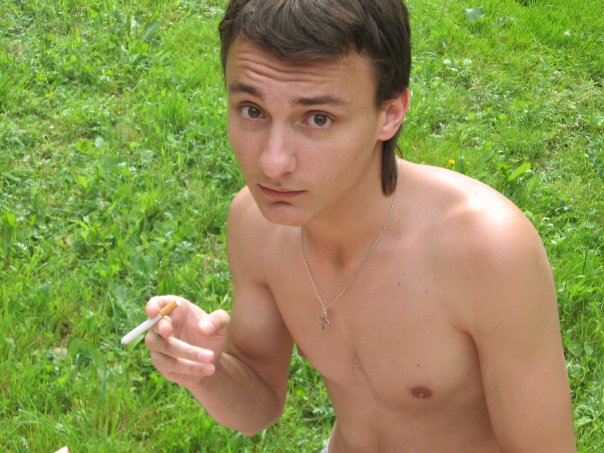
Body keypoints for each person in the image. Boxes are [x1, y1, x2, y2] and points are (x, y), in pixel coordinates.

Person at [144, 0, 577, 451]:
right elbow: (260, 403)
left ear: (390, 113)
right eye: (252, 110)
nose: (273, 163)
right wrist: (204, 369)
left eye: (318, 118)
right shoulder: (256, 226)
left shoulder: (486, 252)